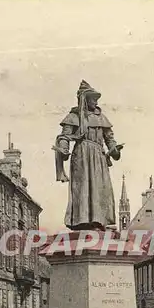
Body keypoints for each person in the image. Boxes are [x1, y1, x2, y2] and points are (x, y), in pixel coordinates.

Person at [53, 80, 124, 231]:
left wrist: (114, 149)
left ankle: (99, 221)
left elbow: (109, 138)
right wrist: (64, 148)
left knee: (100, 188)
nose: (95, 101)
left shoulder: (101, 117)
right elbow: (64, 136)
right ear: (84, 99)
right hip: (82, 156)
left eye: (96, 99)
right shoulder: (74, 116)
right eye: (92, 98)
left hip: (98, 156)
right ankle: (82, 221)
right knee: (82, 187)